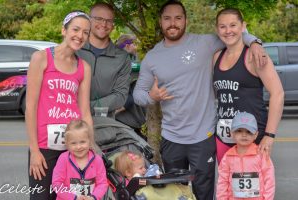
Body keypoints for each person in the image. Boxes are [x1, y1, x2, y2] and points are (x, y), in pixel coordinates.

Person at [133, 1, 267, 199]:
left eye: (178, 18)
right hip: (171, 137)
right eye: (167, 18)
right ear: (161, 22)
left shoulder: (204, 42)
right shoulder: (152, 57)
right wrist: (152, 97)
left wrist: (255, 42)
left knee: (204, 192)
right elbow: (138, 95)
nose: (173, 23)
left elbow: (233, 35)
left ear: (185, 20)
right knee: (175, 193)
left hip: (203, 136)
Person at [25, 11, 93, 200]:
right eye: (76, 29)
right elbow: (30, 107)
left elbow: (85, 112)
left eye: (85, 32)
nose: (80, 36)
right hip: (44, 148)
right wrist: (34, 150)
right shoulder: (41, 58)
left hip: (74, 147)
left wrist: (90, 149)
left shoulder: (84, 68)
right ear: (64, 30)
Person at [213, 8, 284, 164]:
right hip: (224, 137)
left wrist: (269, 135)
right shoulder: (217, 57)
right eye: (223, 26)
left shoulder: (254, 55)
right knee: (227, 185)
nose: (228, 31)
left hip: (252, 137)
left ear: (243, 26)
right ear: (217, 29)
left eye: (233, 25)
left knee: (255, 187)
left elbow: (277, 93)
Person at [76, 2, 131, 118]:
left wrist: (87, 107)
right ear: (89, 20)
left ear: (113, 25)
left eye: (109, 20)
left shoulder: (122, 57)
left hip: (104, 124)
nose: (104, 24)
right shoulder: (75, 50)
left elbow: (120, 96)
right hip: (68, 119)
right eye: (98, 19)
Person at [216, 112, 275, 199]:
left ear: (255, 135)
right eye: (239, 131)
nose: (244, 135)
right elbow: (222, 181)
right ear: (232, 134)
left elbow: (269, 180)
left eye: (249, 132)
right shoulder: (228, 157)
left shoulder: (261, 155)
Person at [52, 120, 108, 200]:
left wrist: (94, 197)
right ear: (67, 144)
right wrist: (74, 197)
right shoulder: (63, 159)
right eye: (73, 143)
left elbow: (102, 183)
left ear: (89, 141)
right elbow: (57, 184)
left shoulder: (97, 160)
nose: (78, 147)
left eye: (82, 142)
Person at [115, 34, 146, 136]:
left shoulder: (128, 58)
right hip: (124, 119)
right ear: (128, 46)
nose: (138, 48)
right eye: (135, 44)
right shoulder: (124, 61)